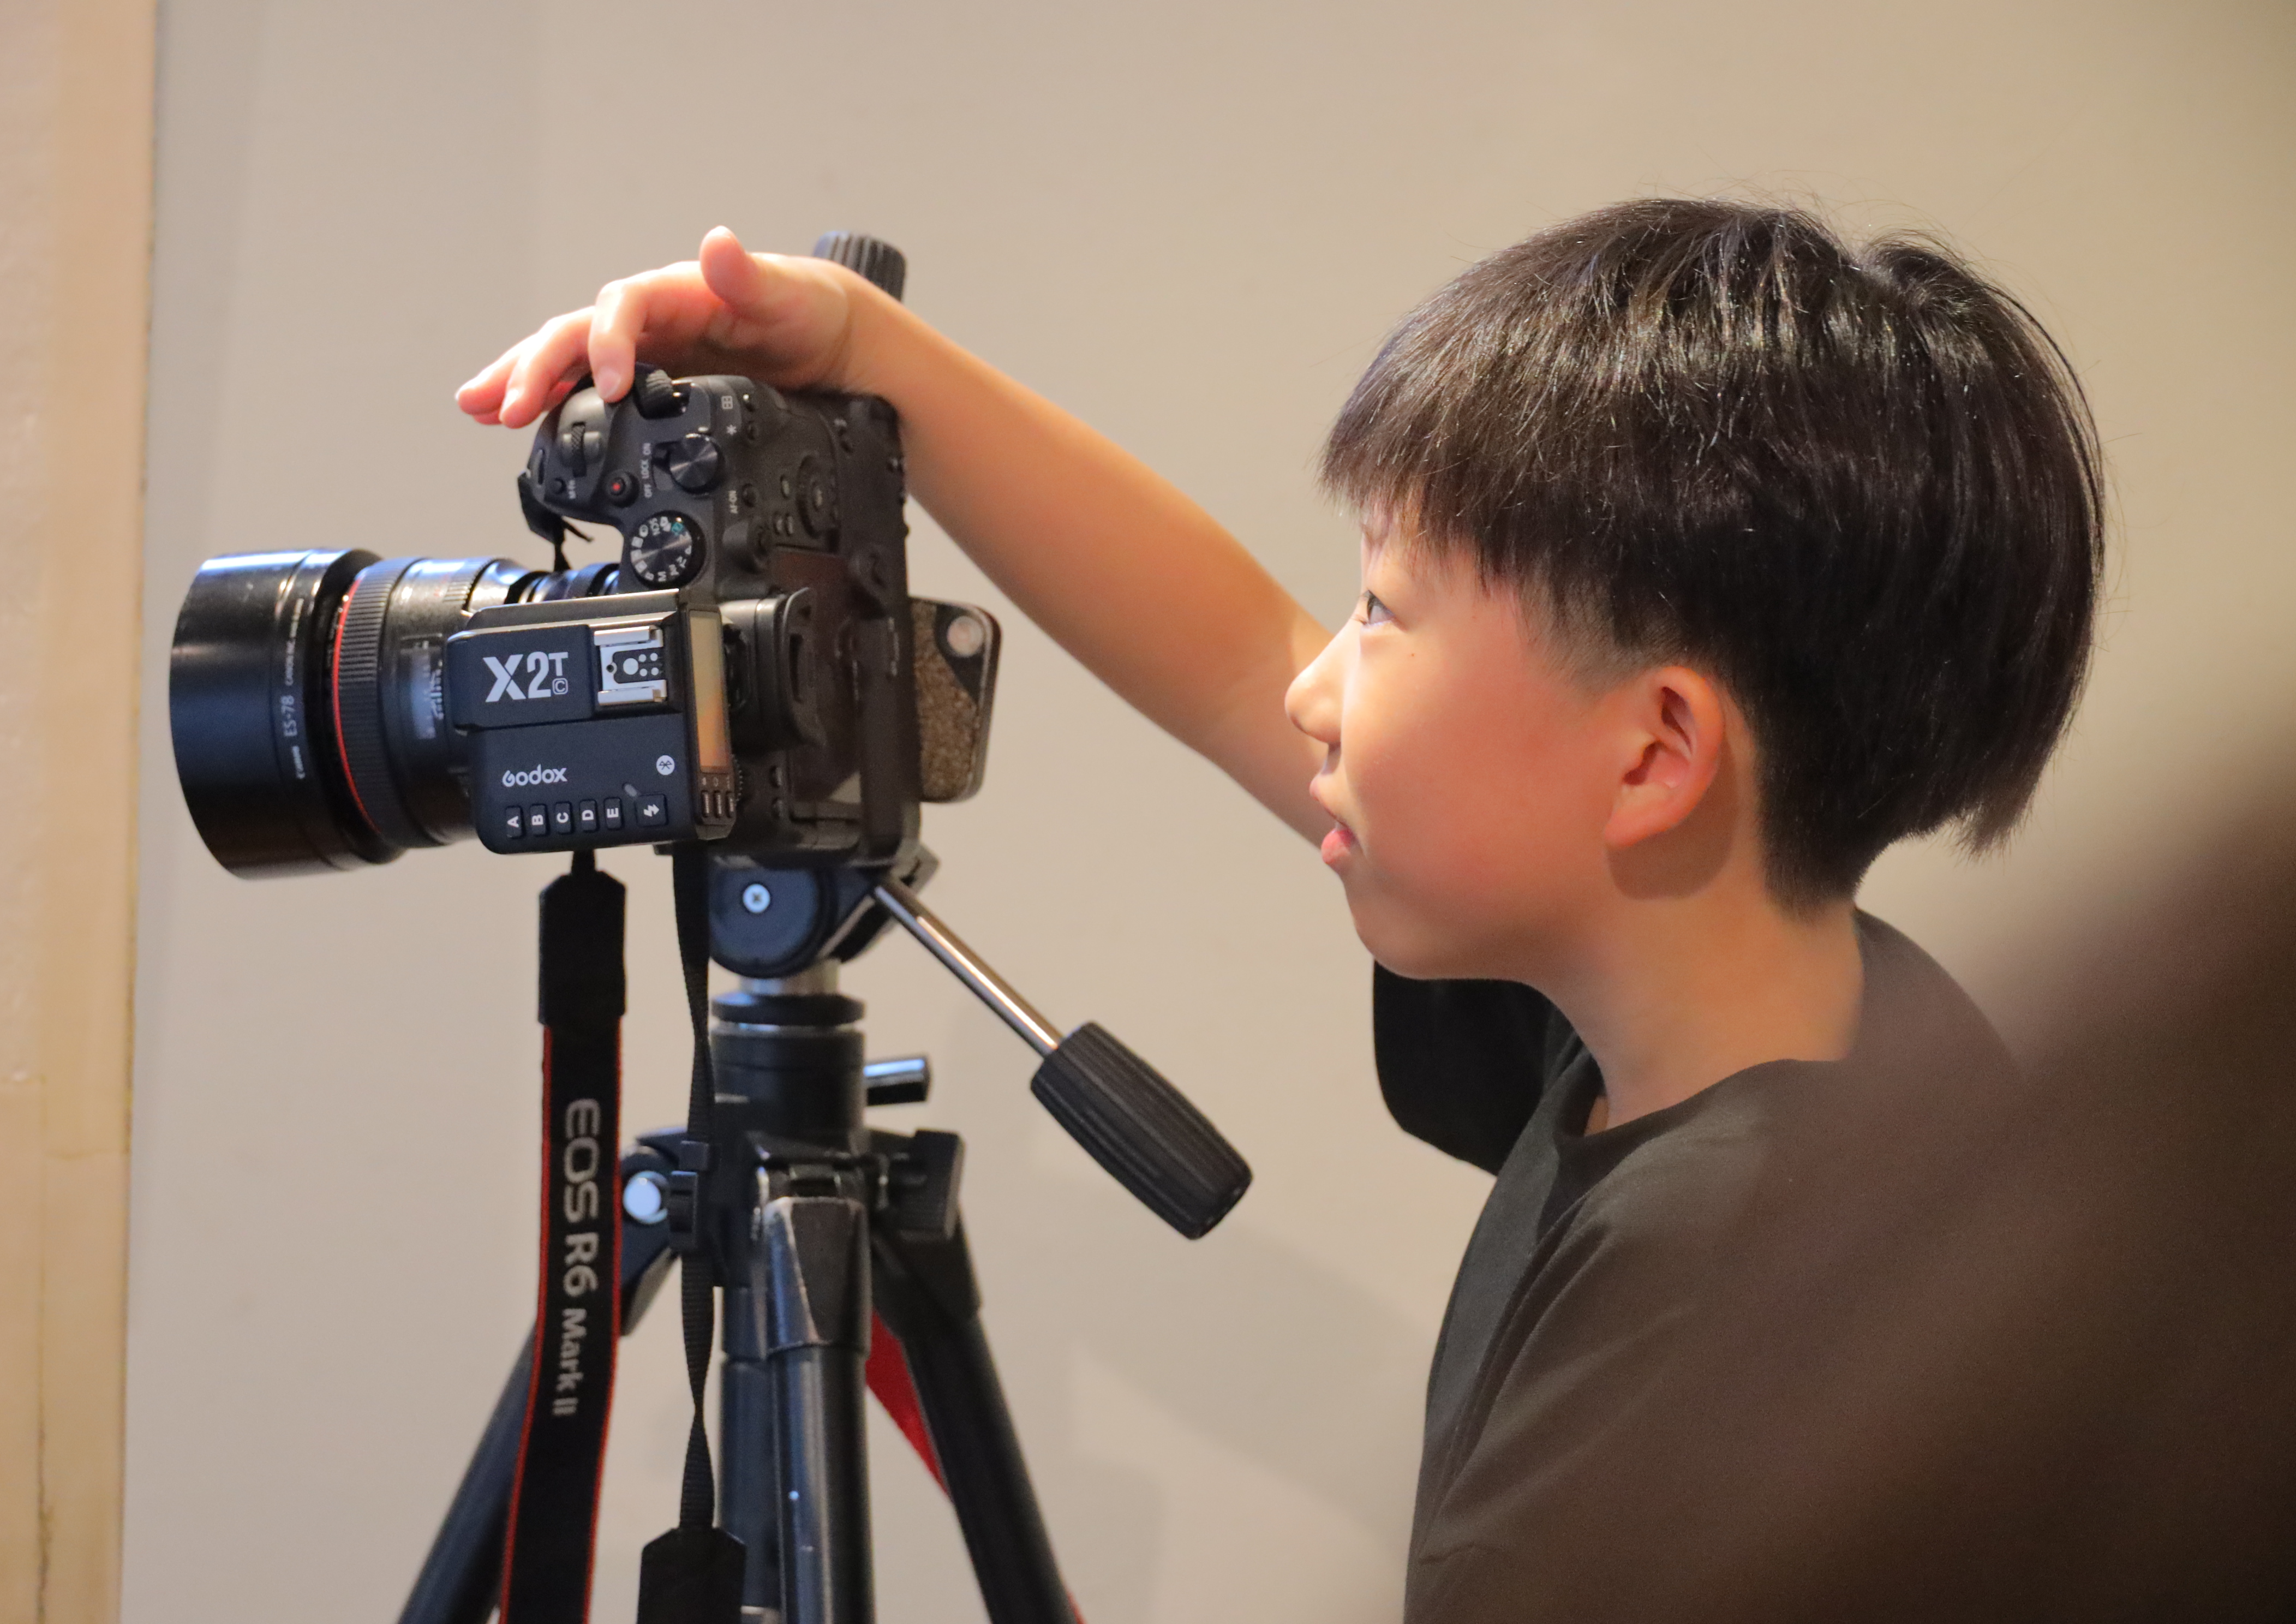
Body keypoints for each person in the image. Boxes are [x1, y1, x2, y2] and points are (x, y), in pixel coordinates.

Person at [458, 200, 2108, 1617]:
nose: (1320, 688)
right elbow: (1235, 655)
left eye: (1383, 610)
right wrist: (862, 346)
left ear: (1654, 754)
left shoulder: (1701, 1292)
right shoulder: (1795, 1029)